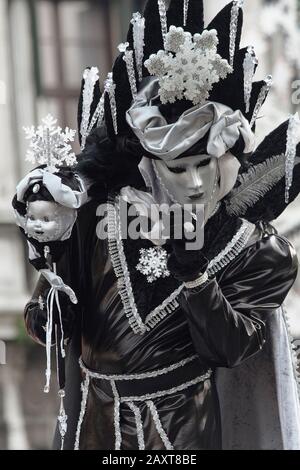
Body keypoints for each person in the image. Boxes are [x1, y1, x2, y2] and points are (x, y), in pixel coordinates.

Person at [20, 0, 300, 450]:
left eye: (206, 164)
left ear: (230, 157)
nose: (193, 183)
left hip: (181, 425)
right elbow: (47, 320)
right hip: (95, 420)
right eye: (177, 167)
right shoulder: (98, 217)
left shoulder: (258, 251)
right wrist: (51, 299)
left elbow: (228, 349)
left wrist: (195, 275)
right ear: (150, 163)